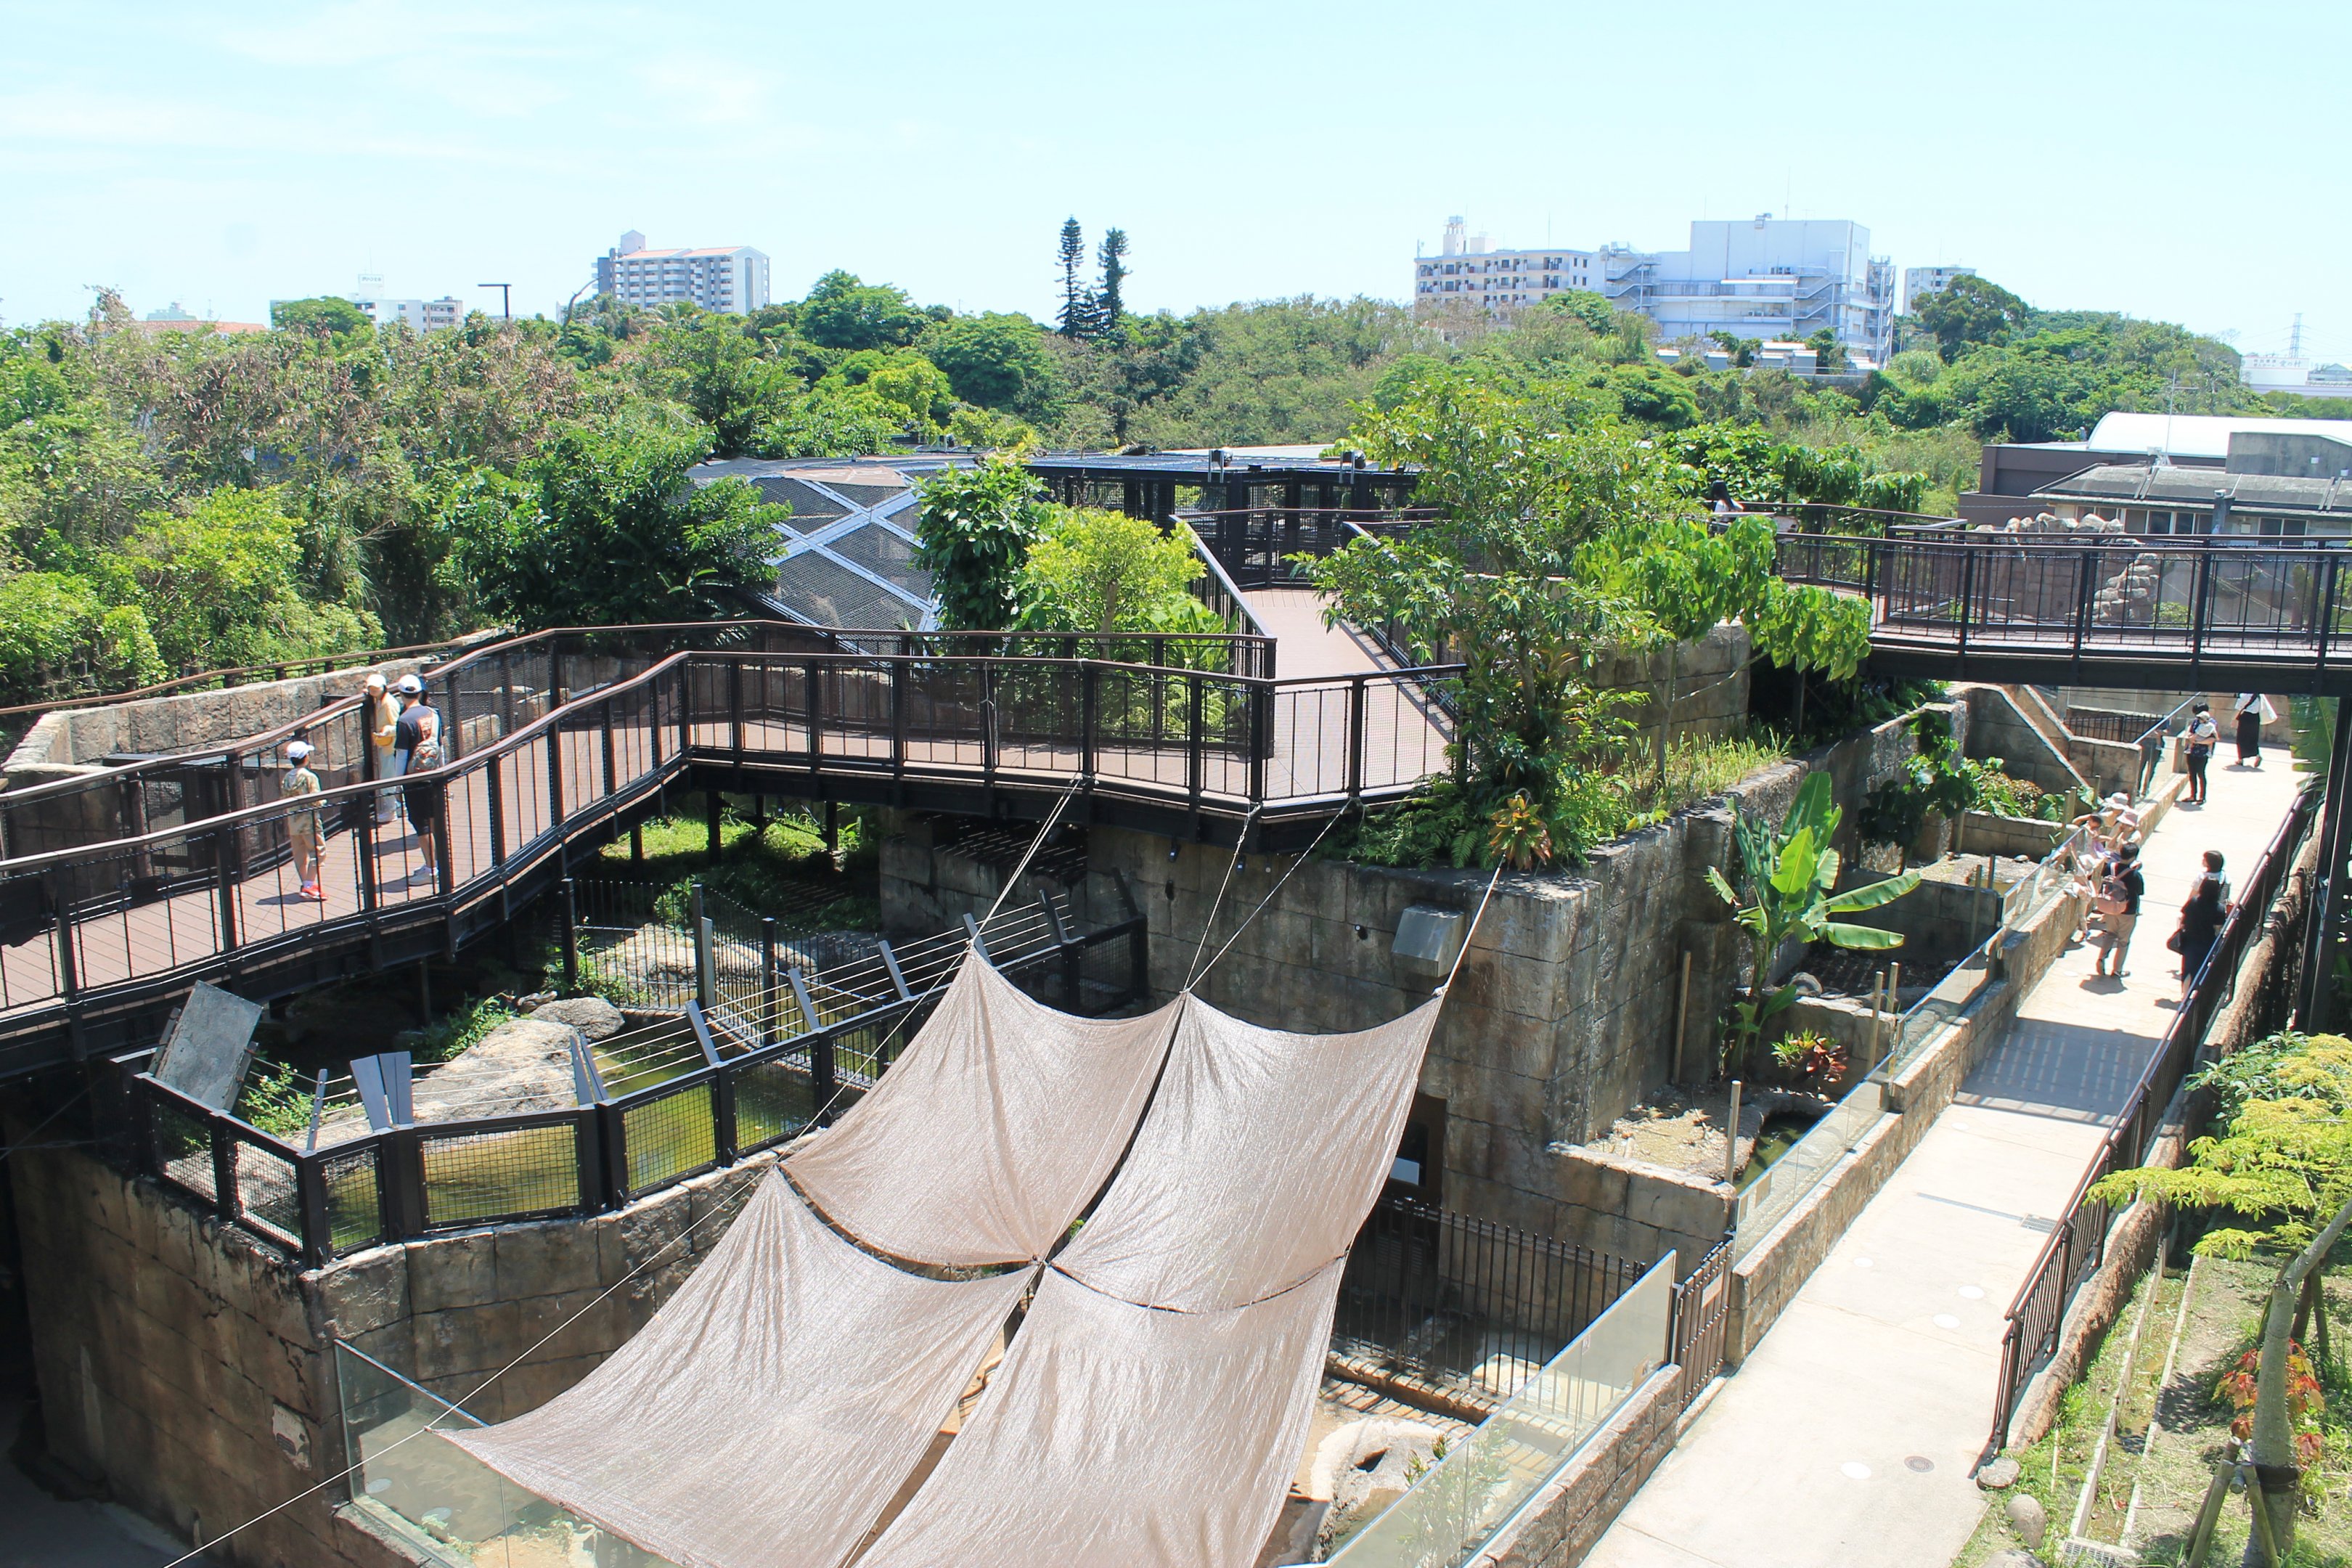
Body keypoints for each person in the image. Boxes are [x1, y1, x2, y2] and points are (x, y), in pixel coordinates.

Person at [393, 675, 444, 885]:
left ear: (401, 694)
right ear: (420, 692)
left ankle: (431, 870)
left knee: (421, 826)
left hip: (414, 780)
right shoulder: (434, 714)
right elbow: (440, 746)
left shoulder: (404, 721)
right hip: (434, 774)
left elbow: (402, 756)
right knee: (434, 821)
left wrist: (397, 785)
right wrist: (443, 771)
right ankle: (438, 864)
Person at [2172, 850, 2231, 1000]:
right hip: (2207, 941)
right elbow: (2218, 928)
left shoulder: (2194, 901)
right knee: (2203, 966)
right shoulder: (2220, 905)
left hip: (2191, 939)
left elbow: (2186, 912)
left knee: (2188, 968)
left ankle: (2185, 996)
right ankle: (2198, 993)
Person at [282, 740, 325, 902]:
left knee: (299, 855)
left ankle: (306, 883)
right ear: (305, 758)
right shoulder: (309, 777)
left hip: (293, 821)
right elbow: (317, 800)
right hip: (309, 821)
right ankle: (308, 885)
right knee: (318, 852)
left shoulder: (287, 778)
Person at [2094, 842, 2144, 980]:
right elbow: (2140, 892)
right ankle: (2117, 970)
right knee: (2123, 941)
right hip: (2128, 910)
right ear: (2133, 857)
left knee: (2110, 934)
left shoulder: (2110, 867)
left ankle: (2101, 958)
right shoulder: (2134, 875)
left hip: (2110, 908)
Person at [364, 672, 402, 825]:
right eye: (371, 688)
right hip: (387, 744)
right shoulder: (380, 700)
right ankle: (397, 807)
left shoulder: (389, 703)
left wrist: (387, 731)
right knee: (390, 776)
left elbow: (398, 726)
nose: (373, 690)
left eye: (376, 688)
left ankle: (391, 810)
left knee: (387, 778)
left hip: (390, 746)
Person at [2182, 703, 2218, 804]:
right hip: (2192, 750)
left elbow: (2213, 739)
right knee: (2192, 773)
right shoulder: (2195, 721)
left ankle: (2202, 797)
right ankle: (2193, 795)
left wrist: (2198, 742)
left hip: (2203, 752)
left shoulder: (2212, 723)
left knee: (2201, 773)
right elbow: (2191, 733)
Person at [2231, 693, 2276, 768]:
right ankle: (2257, 755)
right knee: (2253, 738)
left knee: (2241, 738)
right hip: (2256, 717)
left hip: (2245, 717)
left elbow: (2238, 708)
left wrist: (2233, 720)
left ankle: (2240, 759)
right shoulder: (2259, 694)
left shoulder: (2244, 695)